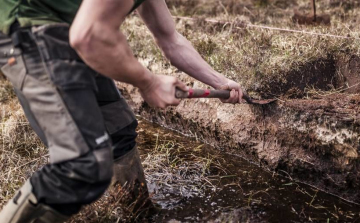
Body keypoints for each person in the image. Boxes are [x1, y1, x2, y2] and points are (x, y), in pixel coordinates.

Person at [0, 0, 243, 222]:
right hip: (27, 28)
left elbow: (170, 39)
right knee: (82, 164)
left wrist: (219, 81)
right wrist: (148, 82)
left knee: (118, 130)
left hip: (74, 32)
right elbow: (88, 36)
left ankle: (138, 214)